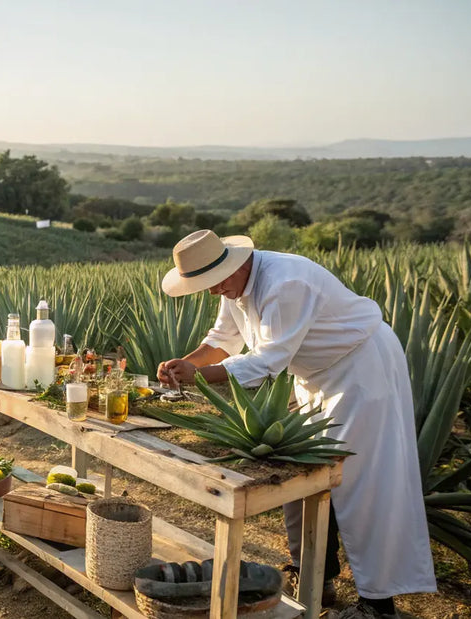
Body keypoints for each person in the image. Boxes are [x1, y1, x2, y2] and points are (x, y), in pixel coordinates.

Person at [156, 230, 436, 618]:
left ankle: (378, 602)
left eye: (213, 282)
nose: (211, 291)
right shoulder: (233, 283)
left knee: (363, 481)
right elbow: (222, 340)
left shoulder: (285, 283)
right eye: (204, 284)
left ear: (233, 263)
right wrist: (184, 364)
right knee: (300, 470)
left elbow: (268, 360)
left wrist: (199, 376)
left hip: (361, 370)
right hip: (313, 376)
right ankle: (315, 574)